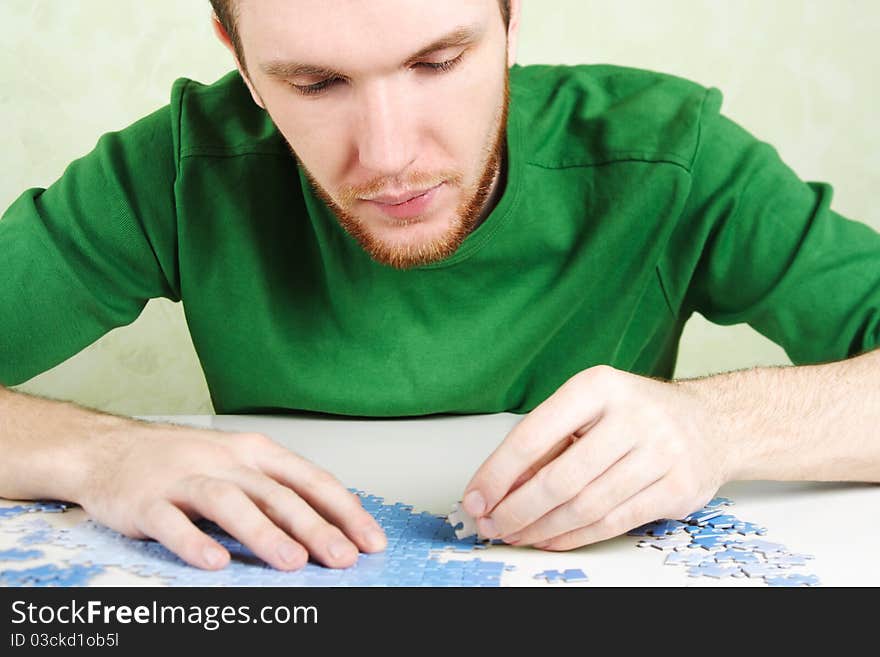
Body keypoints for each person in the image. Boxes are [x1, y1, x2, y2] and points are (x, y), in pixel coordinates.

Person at [1, 0, 878, 573]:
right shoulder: (175, 170)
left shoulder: (669, 154)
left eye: (439, 62)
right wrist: (100, 454)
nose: (388, 158)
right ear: (237, 54)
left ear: (510, 19)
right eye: (314, 83)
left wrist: (720, 424)